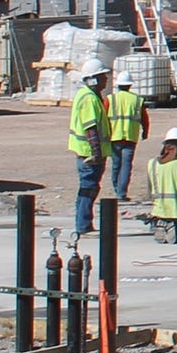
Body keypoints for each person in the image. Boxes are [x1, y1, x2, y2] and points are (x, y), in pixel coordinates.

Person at [67, 69, 116, 233]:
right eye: (103, 77)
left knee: (88, 187)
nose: (105, 81)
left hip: (87, 152)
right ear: (93, 80)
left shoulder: (89, 96)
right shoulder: (89, 99)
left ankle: (83, 223)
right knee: (88, 188)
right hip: (89, 153)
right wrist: (96, 153)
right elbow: (91, 128)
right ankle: (83, 225)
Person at [103, 70, 148, 197]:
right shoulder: (137, 100)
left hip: (114, 136)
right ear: (130, 85)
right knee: (126, 165)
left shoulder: (110, 99)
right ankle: (122, 192)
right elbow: (144, 118)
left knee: (116, 164)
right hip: (130, 137)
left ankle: (117, 188)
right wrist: (145, 131)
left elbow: (103, 117)